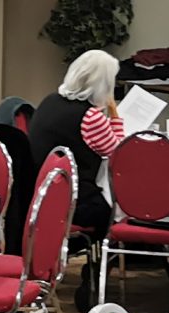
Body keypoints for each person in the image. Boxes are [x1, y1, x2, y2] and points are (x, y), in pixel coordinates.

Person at [26, 48, 121, 239]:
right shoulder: (90, 116)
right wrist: (115, 116)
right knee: (119, 204)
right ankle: (111, 254)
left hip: (38, 189)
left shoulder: (50, 100)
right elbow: (116, 152)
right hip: (73, 198)